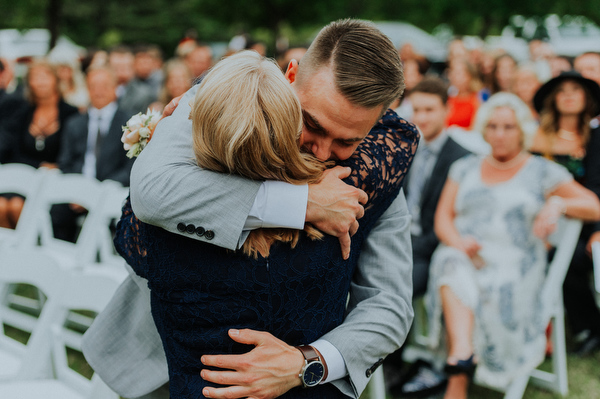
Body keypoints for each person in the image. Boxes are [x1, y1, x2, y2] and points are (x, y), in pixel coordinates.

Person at [82, 19, 416, 399]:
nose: (322, 152)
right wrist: (303, 202)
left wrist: (307, 362)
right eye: (312, 124)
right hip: (154, 359)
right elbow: (153, 191)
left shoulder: (378, 166)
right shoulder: (217, 97)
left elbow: (389, 305)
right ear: (290, 75)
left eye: (347, 140)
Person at [426, 92, 600, 399]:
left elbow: (594, 206)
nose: (500, 134)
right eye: (492, 126)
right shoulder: (465, 167)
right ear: (484, 129)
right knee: (449, 259)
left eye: (508, 127)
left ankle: (458, 374)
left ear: (522, 130)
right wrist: (459, 242)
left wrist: (557, 203)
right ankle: (463, 357)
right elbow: (443, 220)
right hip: (465, 254)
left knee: (483, 281)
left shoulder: (541, 171)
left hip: (516, 262)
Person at [386, 77, 471, 396]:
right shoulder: (405, 146)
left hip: (432, 247)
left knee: (396, 286)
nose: (421, 117)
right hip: (397, 238)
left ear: (447, 110)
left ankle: (391, 363)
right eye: (416, 109)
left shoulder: (461, 157)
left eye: (429, 109)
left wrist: (409, 246)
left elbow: (452, 220)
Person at [530, 70, 600, 356]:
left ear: (586, 98)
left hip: (584, 218)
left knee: (570, 259)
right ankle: (538, 330)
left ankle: (590, 326)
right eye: (562, 90)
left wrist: (597, 230)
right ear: (553, 98)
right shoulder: (536, 136)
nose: (569, 95)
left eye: (576, 89)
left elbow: (597, 190)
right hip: (540, 216)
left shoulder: (595, 138)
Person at [52, 66, 134, 241]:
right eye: (93, 86)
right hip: (75, 192)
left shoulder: (129, 124)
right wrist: (78, 191)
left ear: (115, 88)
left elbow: (129, 168)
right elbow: (65, 162)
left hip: (109, 192)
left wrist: (96, 192)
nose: (99, 91)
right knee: (56, 212)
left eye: (105, 85)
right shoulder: (74, 123)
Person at [0, 60, 78, 229]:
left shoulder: (71, 114)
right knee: (2, 206)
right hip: (24, 177)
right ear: (29, 83)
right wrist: (41, 165)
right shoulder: (22, 113)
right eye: (35, 77)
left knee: (16, 207)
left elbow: (72, 155)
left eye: (45, 76)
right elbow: (13, 153)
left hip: (56, 182)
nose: (41, 82)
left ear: (56, 79)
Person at [108, 46, 156, 115]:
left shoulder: (144, 94)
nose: (121, 72)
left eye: (125, 67)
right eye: (116, 67)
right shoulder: (99, 91)